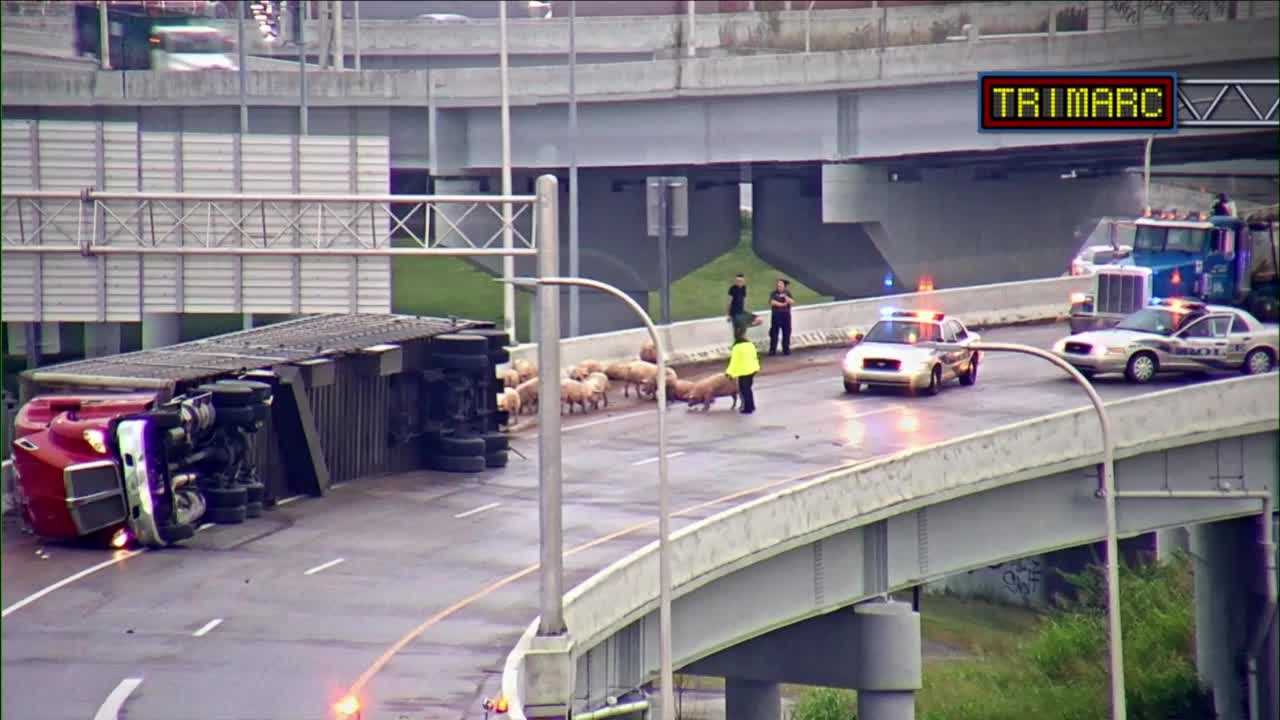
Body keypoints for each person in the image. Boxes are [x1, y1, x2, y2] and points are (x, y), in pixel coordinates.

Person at [726, 326, 759, 415]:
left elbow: (734, 362)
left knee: (744, 389)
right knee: (748, 388)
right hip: (752, 369)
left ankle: (747, 408)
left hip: (743, 371)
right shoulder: (750, 345)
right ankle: (751, 405)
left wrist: (729, 373)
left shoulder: (737, 347)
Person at [768, 278, 794, 356]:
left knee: (786, 333)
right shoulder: (774, 293)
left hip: (786, 316)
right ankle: (772, 350)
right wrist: (782, 304)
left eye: (780, 285)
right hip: (776, 316)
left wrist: (786, 297)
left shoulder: (787, 293)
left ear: (784, 286)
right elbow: (772, 302)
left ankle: (786, 349)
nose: (778, 286)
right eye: (778, 285)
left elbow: (792, 301)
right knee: (774, 333)